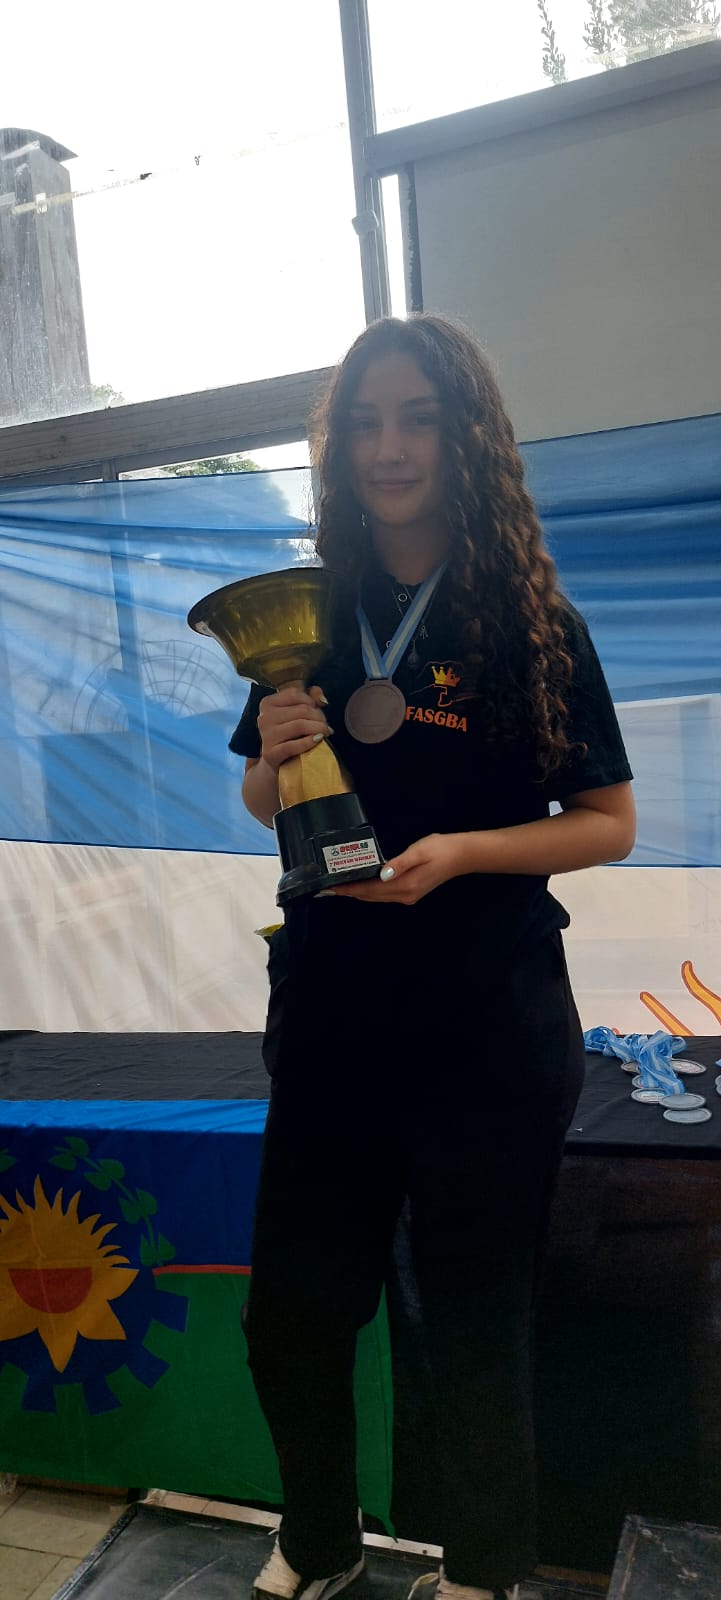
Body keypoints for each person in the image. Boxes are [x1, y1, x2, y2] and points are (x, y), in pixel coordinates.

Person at [231, 314, 635, 1600]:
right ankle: (318, 1539)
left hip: (484, 1017)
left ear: (466, 437)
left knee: (474, 1318)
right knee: (291, 1310)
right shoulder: (308, 614)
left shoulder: (529, 619)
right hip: (335, 1009)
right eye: (364, 423)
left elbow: (608, 823)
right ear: (338, 447)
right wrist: (273, 753)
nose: (389, 448)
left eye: (417, 418)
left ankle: (482, 1571)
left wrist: (462, 853)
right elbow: (261, 800)